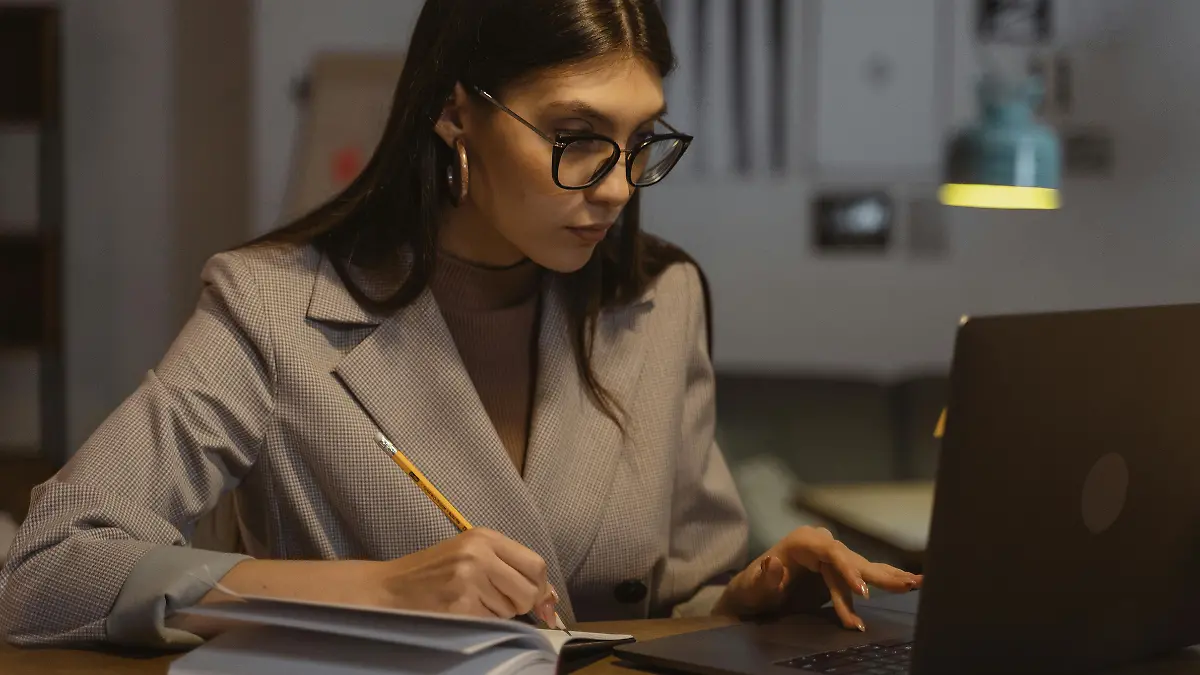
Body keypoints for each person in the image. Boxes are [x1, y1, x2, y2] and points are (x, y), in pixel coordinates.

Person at [0, 0, 920, 649]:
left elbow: (674, 602)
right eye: (576, 136)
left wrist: (755, 592)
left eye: (643, 142)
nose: (615, 185)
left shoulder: (655, 298)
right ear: (454, 115)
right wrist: (375, 591)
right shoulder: (272, 305)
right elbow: (49, 570)